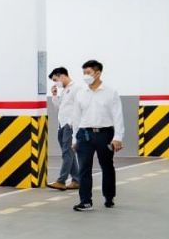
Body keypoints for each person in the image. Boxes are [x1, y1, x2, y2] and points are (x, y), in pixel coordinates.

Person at [72, 59, 123, 212]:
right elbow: (76, 117)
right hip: (84, 134)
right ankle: (85, 201)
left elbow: (118, 115)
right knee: (84, 168)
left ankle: (109, 197)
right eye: (84, 73)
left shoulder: (110, 92)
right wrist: (74, 138)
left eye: (88, 72)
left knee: (107, 166)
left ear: (98, 73)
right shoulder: (81, 93)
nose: (85, 76)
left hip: (105, 134)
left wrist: (118, 137)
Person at [47, 67, 80, 192]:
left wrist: (71, 123)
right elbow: (59, 107)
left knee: (67, 152)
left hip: (69, 125)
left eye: (56, 80)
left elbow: (79, 107)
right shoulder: (65, 90)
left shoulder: (76, 88)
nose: (56, 83)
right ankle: (76, 180)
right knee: (68, 153)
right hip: (62, 125)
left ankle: (61, 181)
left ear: (62, 76)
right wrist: (54, 95)